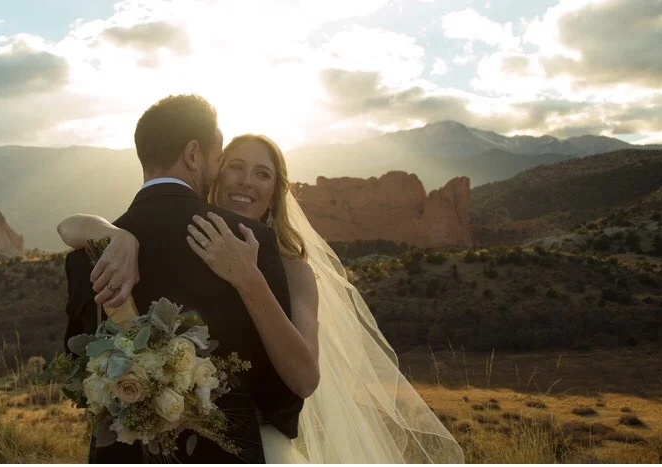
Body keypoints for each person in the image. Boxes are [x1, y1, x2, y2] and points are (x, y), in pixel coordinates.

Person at [59, 131, 465, 463]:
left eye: (262, 174)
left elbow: (305, 378)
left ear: (275, 191)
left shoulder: (293, 269)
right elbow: (69, 227)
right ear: (215, 174)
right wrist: (112, 233)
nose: (246, 182)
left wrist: (249, 279)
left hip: (255, 443)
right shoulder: (183, 241)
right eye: (235, 167)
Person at [60, 94, 304, 463]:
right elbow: (280, 393)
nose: (218, 169)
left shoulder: (87, 254)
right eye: (218, 158)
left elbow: (75, 370)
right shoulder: (246, 241)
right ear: (193, 154)